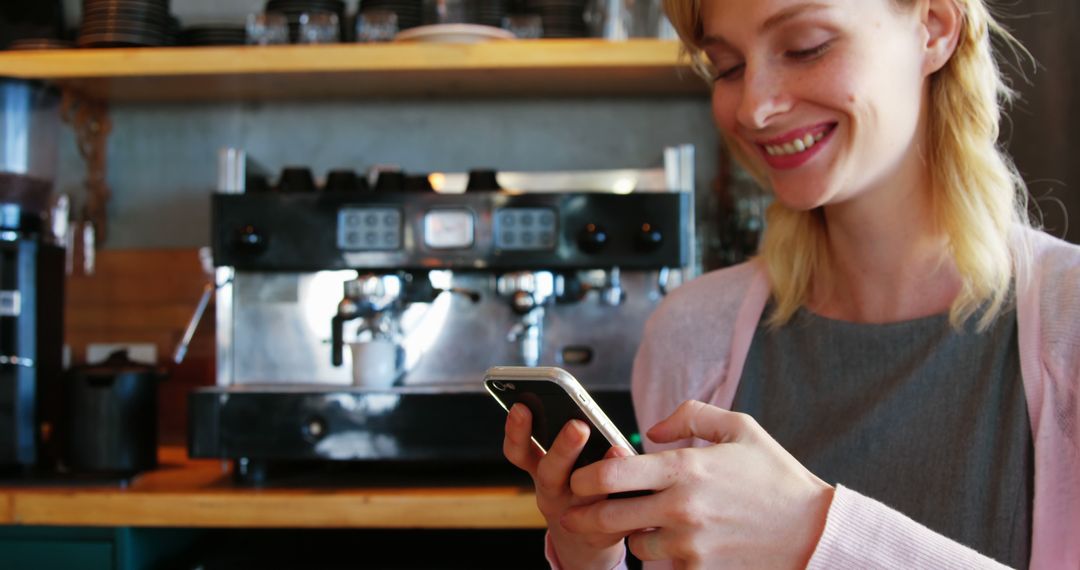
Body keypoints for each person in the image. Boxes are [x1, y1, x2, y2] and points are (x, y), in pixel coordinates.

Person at [501, 0, 1080, 568]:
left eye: (806, 47)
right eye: (727, 67)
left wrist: (813, 533)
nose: (753, 107)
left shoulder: (1068, 320)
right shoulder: (691, 335)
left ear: (934, 27)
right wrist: (592, 552)